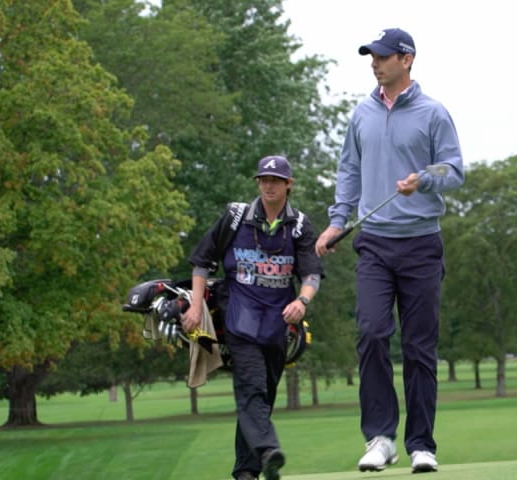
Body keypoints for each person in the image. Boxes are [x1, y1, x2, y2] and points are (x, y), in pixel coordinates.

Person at [314, 28, 464, 474]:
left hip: (420, 243)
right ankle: (380, 438)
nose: (375, 64)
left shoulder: (433, 113)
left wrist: (424, 177)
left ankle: (421, 444)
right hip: (375, 243)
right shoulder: (361, 114)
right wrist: (338, 222)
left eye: (382, 57)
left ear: (407, 59)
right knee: (372, 333)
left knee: (419, 348)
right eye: (371, 58)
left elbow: (454, 169)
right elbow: (349, 170)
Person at [183, 155, 323, 480]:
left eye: (275, 180)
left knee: (263, 396)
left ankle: (247, 472)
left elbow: (312, 274)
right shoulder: (236, 217)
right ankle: (268, 451)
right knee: (252, 390)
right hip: (240, 321)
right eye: (263, 179)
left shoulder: (300, 225)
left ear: (289, 184)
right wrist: (194, 306)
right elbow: (202, 261)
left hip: (278, 327)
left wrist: (302, 301)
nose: (268, 185)